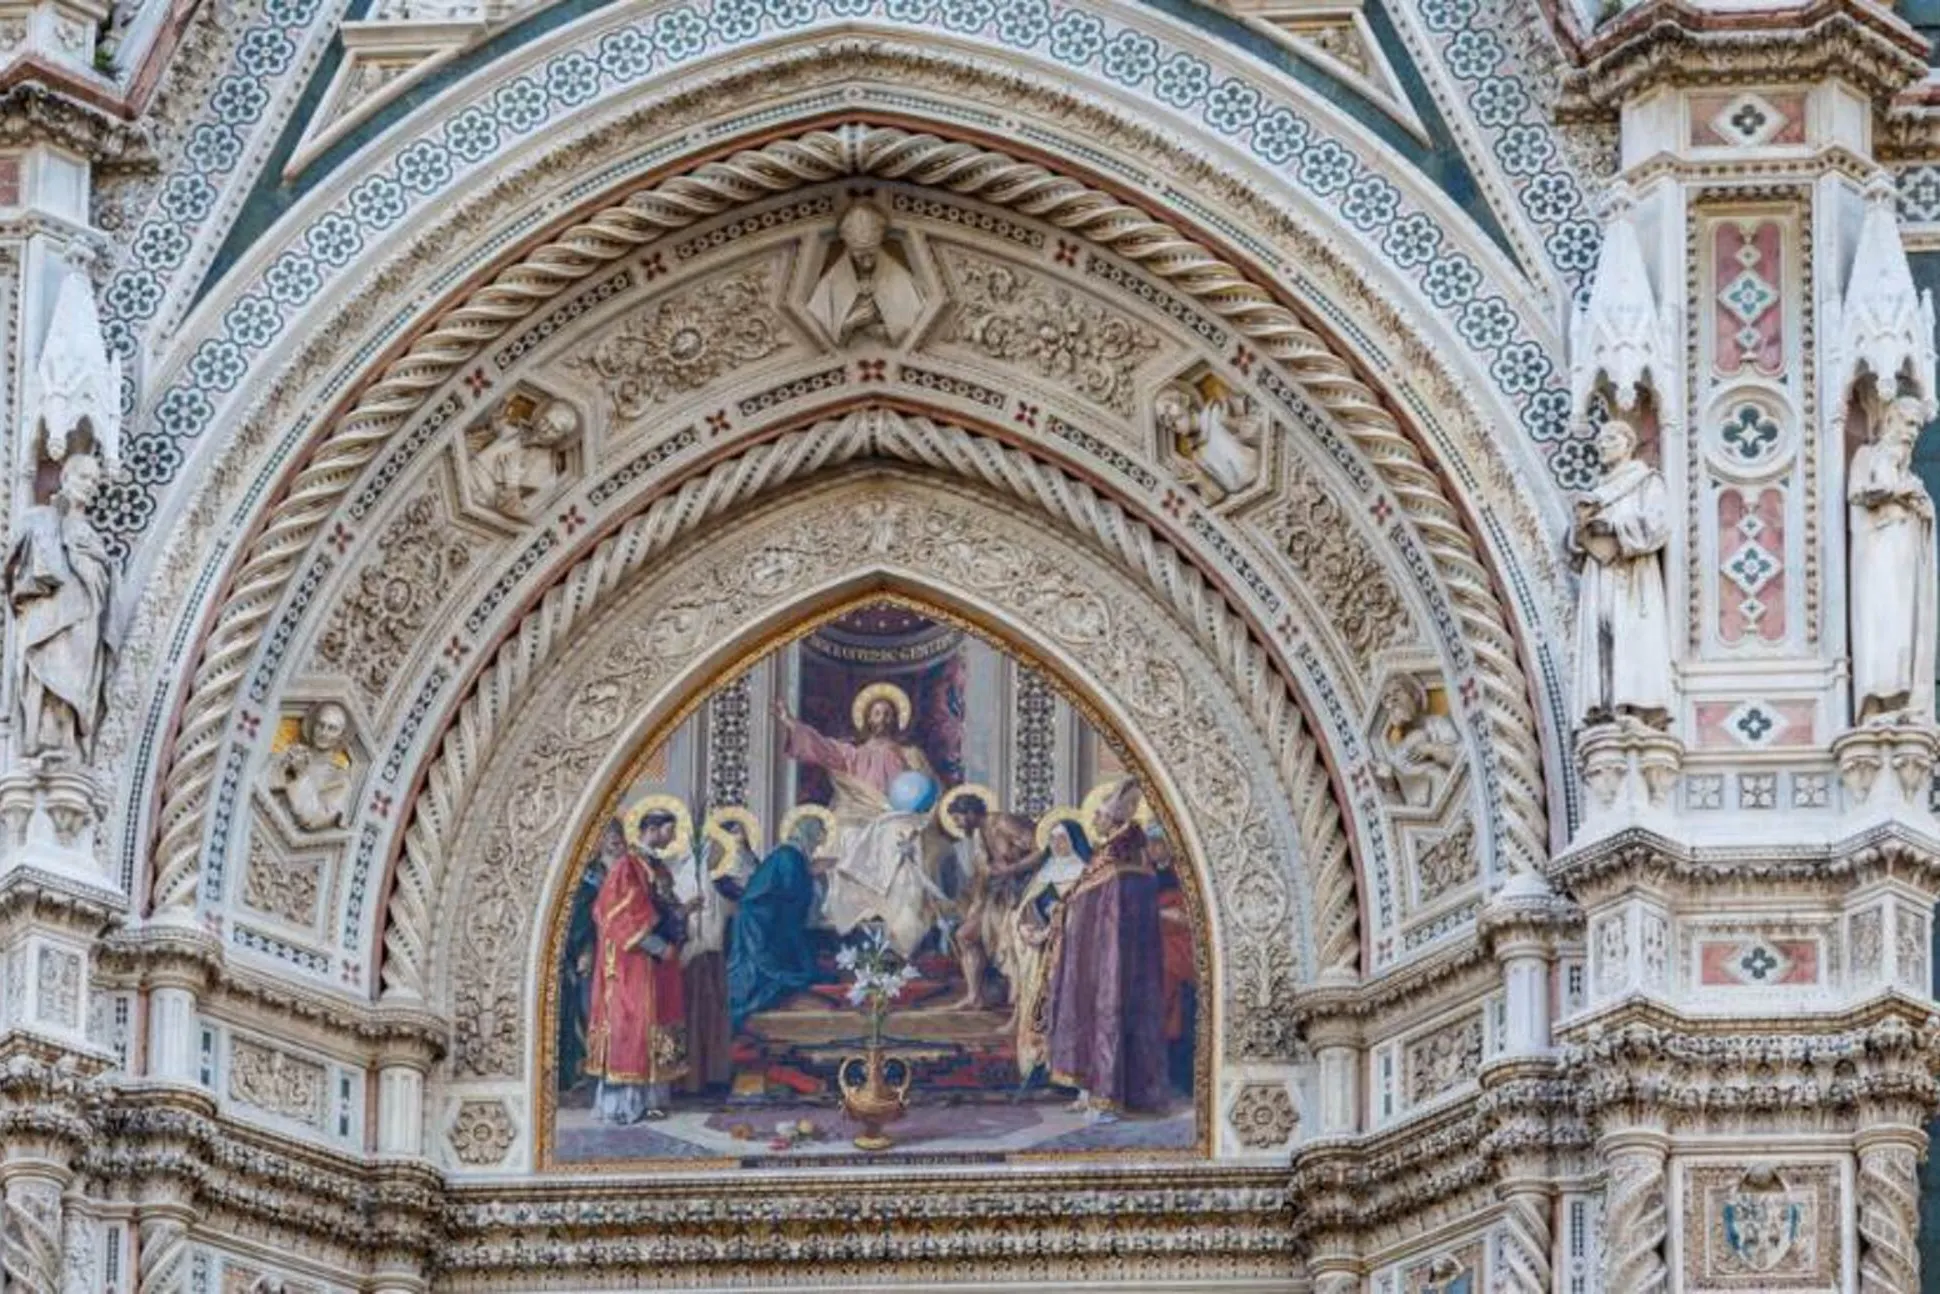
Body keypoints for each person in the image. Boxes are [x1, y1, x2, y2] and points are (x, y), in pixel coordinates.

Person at [1046, 779, 1167, 1121]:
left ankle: (1108, 1097)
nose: (1094, 820)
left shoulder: (1123, 852)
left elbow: (1112, 901)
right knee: (1089, 1012)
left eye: (1099, 814)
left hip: (1115, 953)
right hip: (1094, 952)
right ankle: (1089, 1088)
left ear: (1116, 817)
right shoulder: (1110, 851)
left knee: (1110, 1012)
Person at [7, 453, 116, 760]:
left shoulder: (91, 534)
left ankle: (66, 740)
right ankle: (42, 739)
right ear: (65, 478)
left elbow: (103, 578)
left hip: (84, 617)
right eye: (84, 477)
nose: (89, 485)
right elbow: (13, 567)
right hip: (49, 610)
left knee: (72, 679)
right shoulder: (40, 518)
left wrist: (89, 564)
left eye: (95, 481)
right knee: (45, 666)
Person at [1568, 414, 1672, 729]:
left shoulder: (1646, 481)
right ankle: (1604, 707)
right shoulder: (1596, 493)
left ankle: (1632, 707)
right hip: (1599, 574)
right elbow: (1574, 549)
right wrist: (1580, 530)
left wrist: (1613, 526)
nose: (1602, 445)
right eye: (1599, 441)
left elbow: (1658, 525)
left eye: (1610, 439)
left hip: (1631, 575)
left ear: (1628, 444)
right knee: (1601, 631)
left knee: (1628, 633)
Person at [585, 813, 687, 1123]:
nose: (673, 837)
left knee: (654, 1026)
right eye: (669, 830)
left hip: (656, 965)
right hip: (631, 962)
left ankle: (650, 1102)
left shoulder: (655, 866)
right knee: (631, 1026)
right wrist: (658, 945)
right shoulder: (628, 866)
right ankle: (622, 1107)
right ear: (651, 830)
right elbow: (618, 916)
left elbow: (667, 907)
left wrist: (679, 922)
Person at [1848, 394, 1936, 723]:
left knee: (1903, 627)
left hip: (1905, 556)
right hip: (1876, 553)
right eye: (1908, 424)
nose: (1912, 433)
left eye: (1917, 427)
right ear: (1889, 421)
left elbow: (1924, 513)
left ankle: (1902, 700)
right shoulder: (1867, 455)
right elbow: (1858, 492)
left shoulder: (1912, 478)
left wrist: (1922, 507)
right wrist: (1899, 492)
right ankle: (1875, 703)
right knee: (1878, 622)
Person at [772, 684, 934, 830]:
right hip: (858, 814)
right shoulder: (853, 754)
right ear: (868, 718)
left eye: (888, 714)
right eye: (877, 713)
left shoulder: (909, 754)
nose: (883, 719)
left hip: (897, 818)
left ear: (895, 719)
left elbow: (928, 787)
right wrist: (790, 722)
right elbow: (821, 746)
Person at [676, 813, 759, 1093]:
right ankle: (693, 1079)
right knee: (697, 1016)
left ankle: (710, 1075)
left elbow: (736, 897)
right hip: (696, 956)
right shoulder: (693, 876)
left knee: (711, 1016)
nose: (724, 855)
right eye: (720, 849)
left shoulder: (716, 877)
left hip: (712, 953)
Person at [725, 813, 827, 1032]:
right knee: (759, 971)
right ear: (808, 833)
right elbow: (792, 894)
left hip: (764, 919)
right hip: (760, 923)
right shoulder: (789, 856)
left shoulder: (791, 855)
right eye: (818, 835)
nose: (819, 843)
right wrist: (813, 877)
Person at [942, 790, 1037, 1011]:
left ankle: (1020, 1002)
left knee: (1012, 944)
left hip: (1021, 893)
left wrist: (1014, 868)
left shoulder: (1002, 823)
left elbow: (1041, 848)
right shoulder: (980, 834)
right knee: (965, 936)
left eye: (957, 818)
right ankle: (974, 996)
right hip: (996, 896)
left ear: (970, 812)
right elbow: (985, 873)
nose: (956, 825)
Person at [1010, 815, 1089, 1080]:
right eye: (1052, 839)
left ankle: (1072, 1071)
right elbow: (1024, 912)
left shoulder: (1087, 874)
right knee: (1041, 1010)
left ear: (1075, 841)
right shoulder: (1043, 875)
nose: (1057, 844)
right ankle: (1039, 1067)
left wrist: (1067, 915)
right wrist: (1029, 930)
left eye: (1062, 839)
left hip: (1077, 953)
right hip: (1045, 954)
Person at [804, 201, 925, 346]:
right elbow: (819, 336)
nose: (867, 263)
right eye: (860, 256)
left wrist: (884, 329)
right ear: (849, 250)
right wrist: (850, 324)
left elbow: (912, 329)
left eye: (871, 255)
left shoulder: (900, 278)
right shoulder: (830, 283)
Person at [1372, 676, 1460, 809]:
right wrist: (1390, 784)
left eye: (1398, 691)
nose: (1393, 699)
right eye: (1387, 697)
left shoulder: (1437, 723)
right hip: (1420, 812)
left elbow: (1459, 759)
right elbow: (1396, 808)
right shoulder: (1395, 751)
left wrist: (1430, 749)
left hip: (1446, 799)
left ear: (1415, 696)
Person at [269, 702, 354, 831]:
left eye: (332, 729)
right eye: (320, 725)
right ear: (312, 726)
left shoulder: (339, 780)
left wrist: (301, 776)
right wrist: (284, 767)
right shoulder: (290, 754)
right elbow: (259, 781)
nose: (324, 732)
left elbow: (312, 820)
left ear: (341, 736)